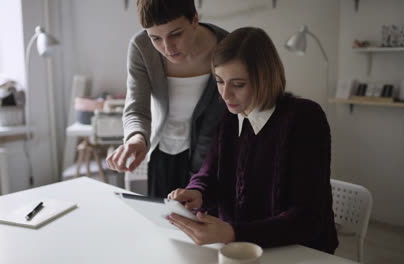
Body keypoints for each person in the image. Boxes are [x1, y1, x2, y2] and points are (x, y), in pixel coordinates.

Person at [167, 27, 339, 254]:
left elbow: (307, 219)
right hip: (239, 247)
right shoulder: (229, 118)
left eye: (238, 84)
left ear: (265, 78)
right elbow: (208, 174)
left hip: (299, 251)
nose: (225, 95)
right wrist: (197, 192)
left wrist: (232, 232)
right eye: (219, 81)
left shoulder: (305, 118)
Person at [106, 0, 227, 197]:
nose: (168, 48)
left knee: (201, 223)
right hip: (162, 154)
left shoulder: (227, 47)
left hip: (212, 159)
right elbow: (137, 107)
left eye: (176, 34)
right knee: (163, 222)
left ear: (195, 19)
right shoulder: (141, 47)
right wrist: (136, 138)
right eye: (156, 38)